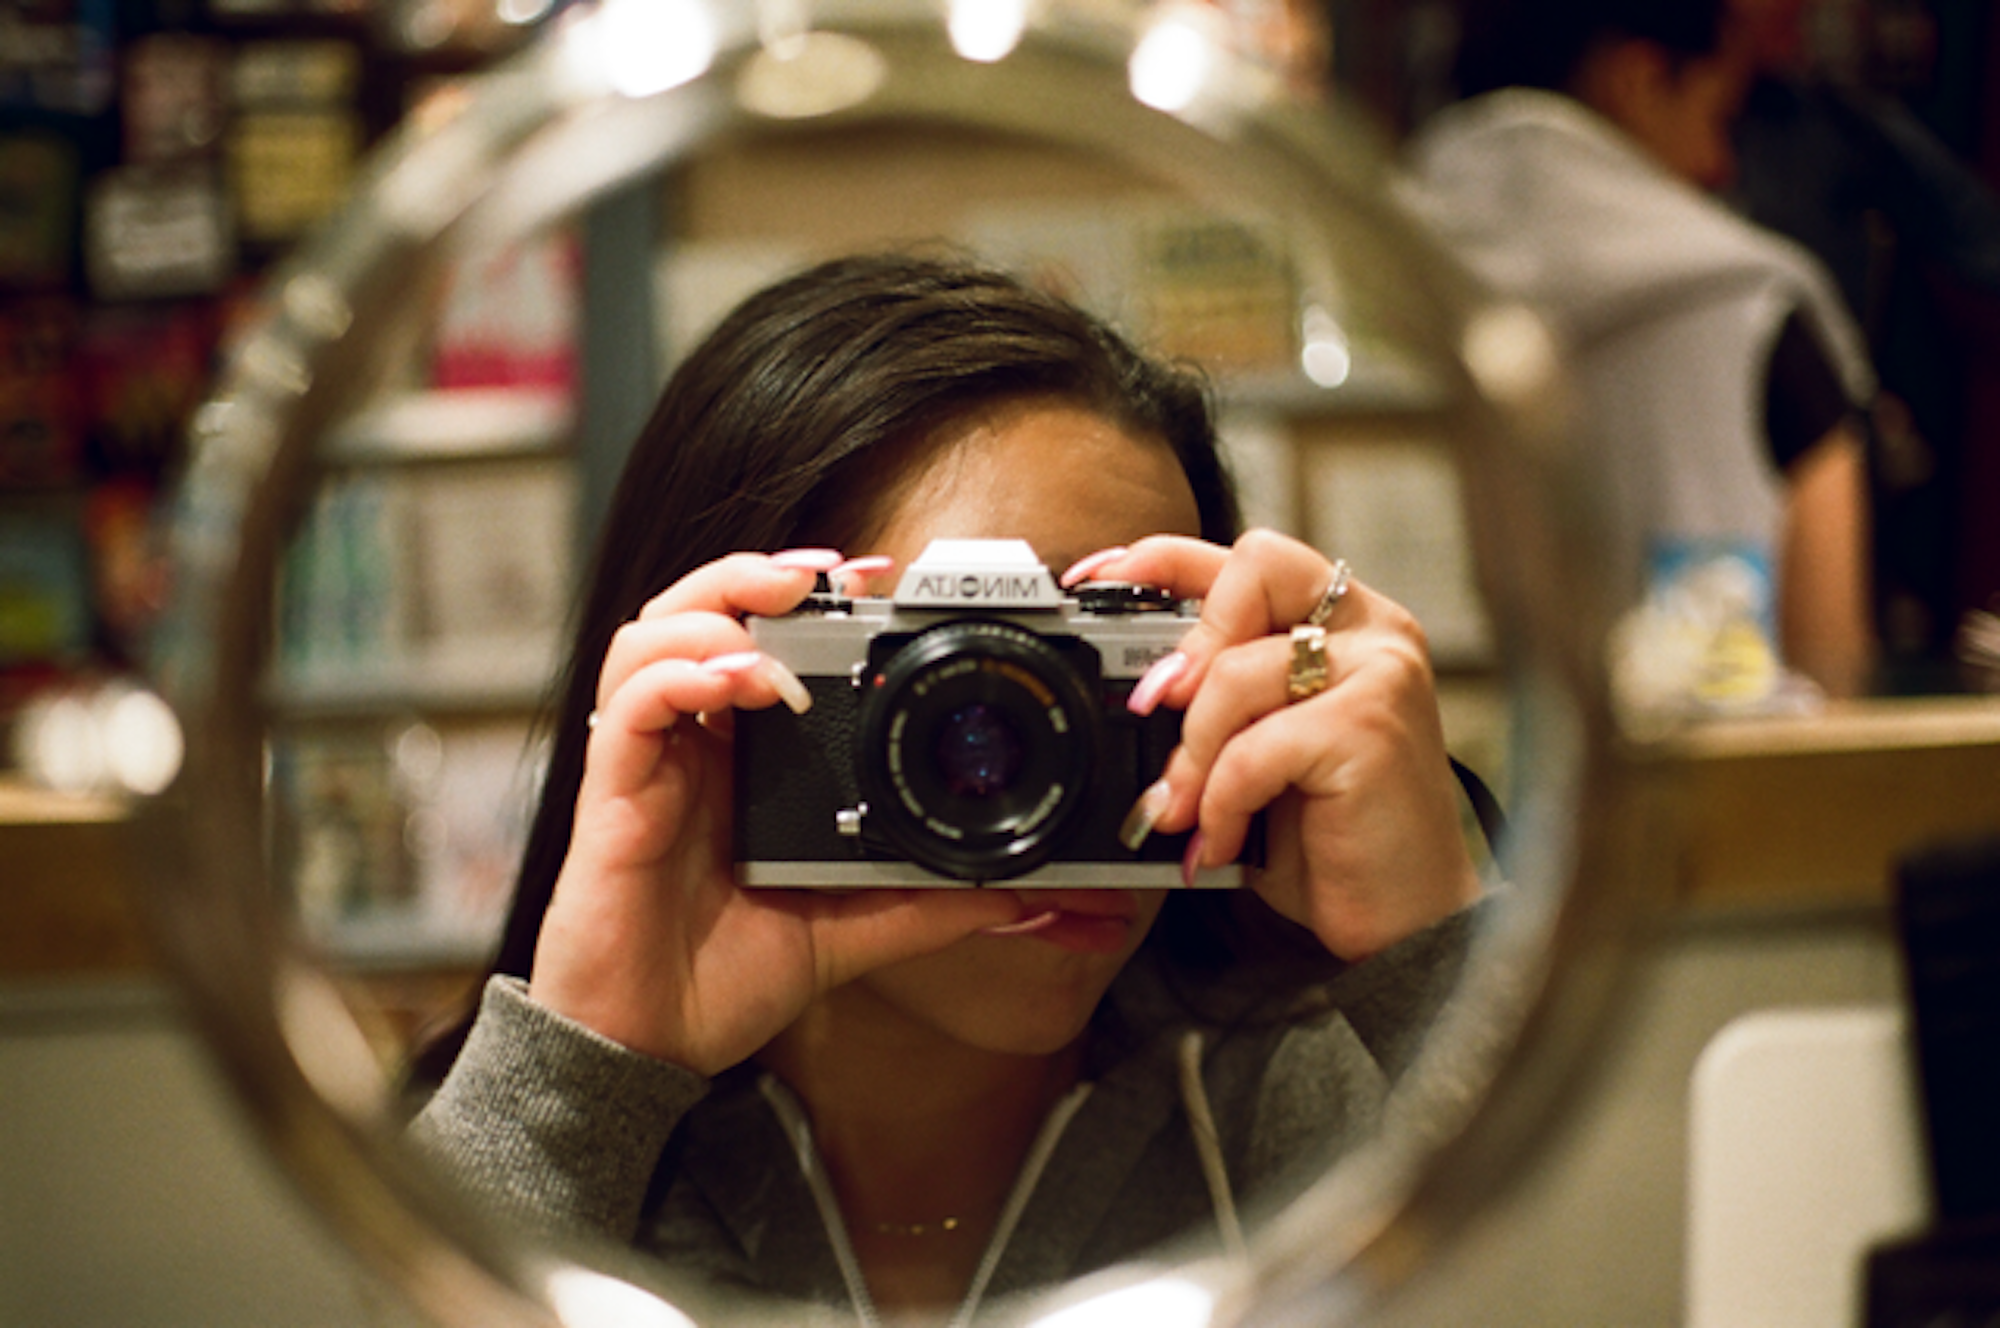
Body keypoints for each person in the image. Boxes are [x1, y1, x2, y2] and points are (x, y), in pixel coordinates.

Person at [409, 253, 1487, 1324]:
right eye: (952, 673)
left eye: (1106, 662)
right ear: (730, 676)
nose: (1025, 766)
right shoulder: (504, 1150)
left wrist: (1443, 967)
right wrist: (578, 1078)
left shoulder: (1329, 1120)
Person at [1401, 0, 1879, 702]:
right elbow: (1833, 667)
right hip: (1702, 804)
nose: (1718, 165)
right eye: (1717, 117)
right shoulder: (1755, 305)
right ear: (1641, 81)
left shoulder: (1355, 276)